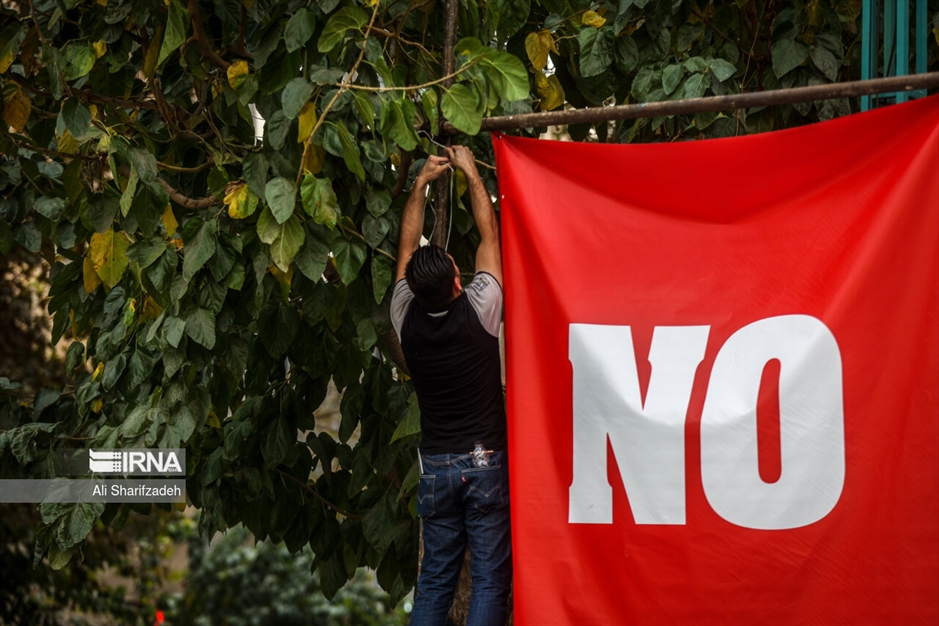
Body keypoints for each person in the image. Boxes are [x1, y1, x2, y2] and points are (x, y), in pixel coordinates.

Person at [390, 145, 511, 626]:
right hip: (485, 462)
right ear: (459, 281)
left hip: (437, 467)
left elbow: (405, 247)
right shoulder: (481, 310)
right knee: (489, 582)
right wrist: (472, 173)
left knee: (435, 582)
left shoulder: (404, 315)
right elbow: (490, 236)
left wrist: (420, 183)